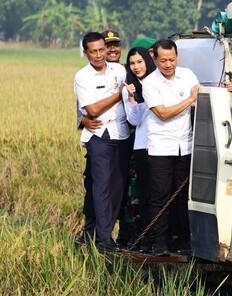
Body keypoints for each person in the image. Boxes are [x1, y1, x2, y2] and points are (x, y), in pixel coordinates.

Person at [142, 39, 200, 255]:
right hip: (161, 148)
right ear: (154, 58)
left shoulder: (188, 75)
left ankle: (183, 241)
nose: (168, 64)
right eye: (163, 60)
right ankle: (159, 242)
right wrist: (189, 100)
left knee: (183, 195)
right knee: (160, 196)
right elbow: (163, 113)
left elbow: (200, 96)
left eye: (172, 60)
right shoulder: (150, 83)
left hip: (185, 146)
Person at [73, 32, 130, 252]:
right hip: (99, 135)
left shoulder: (120, 70)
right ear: (86, 53)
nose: (99, 55)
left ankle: (103, 233)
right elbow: (93, 109)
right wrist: (118, 94)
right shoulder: (83, 76)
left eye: (101, 50)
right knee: (100, 187)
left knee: (118, 187)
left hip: (121, 133)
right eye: (93, 51)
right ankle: (104, 239)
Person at [121, 47, 156, 250]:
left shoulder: (158, 82)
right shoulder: (129, 87)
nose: (136, 67)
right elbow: (133, 119)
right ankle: (143, 237)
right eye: (132, 63)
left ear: (148, 61)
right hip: (142, 145)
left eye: (140, 62)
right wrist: (134, 98)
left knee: (159, 194)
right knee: (143, 194)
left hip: (163, 145)